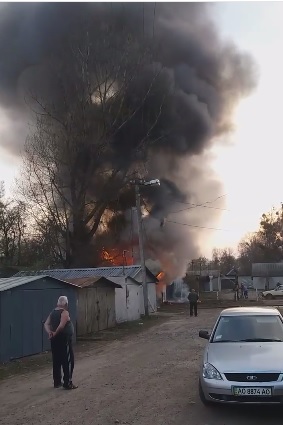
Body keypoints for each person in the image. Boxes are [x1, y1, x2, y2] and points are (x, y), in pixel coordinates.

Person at [44, 296, 77, 390]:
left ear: (58, 303)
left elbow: (46, 324)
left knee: (57, 360)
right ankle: (68, 382)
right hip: (63, 339)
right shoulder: (64, 312)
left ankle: (57, 382)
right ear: (66, 304)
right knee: (68, 360)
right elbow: (61, 326)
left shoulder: (53, 312)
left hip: (55, 340)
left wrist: (49, 332)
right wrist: (54, 333)